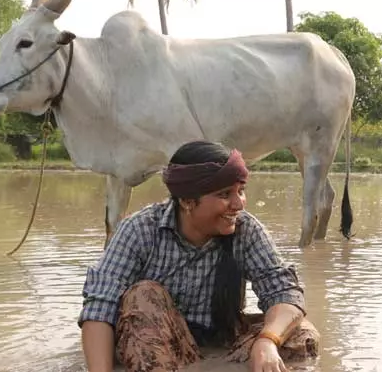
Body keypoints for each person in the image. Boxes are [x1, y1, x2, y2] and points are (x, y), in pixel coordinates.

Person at [78, 140, 319, 372]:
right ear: (187, 201)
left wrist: (267, 341)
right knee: (143, 295)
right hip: (152, 343)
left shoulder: (246, 230)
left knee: (301, 335)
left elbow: (284, 293)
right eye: (225, 194)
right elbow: (100, 307)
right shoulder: (140, 229)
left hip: (221, 340)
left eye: (241, 191)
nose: (238, 204)